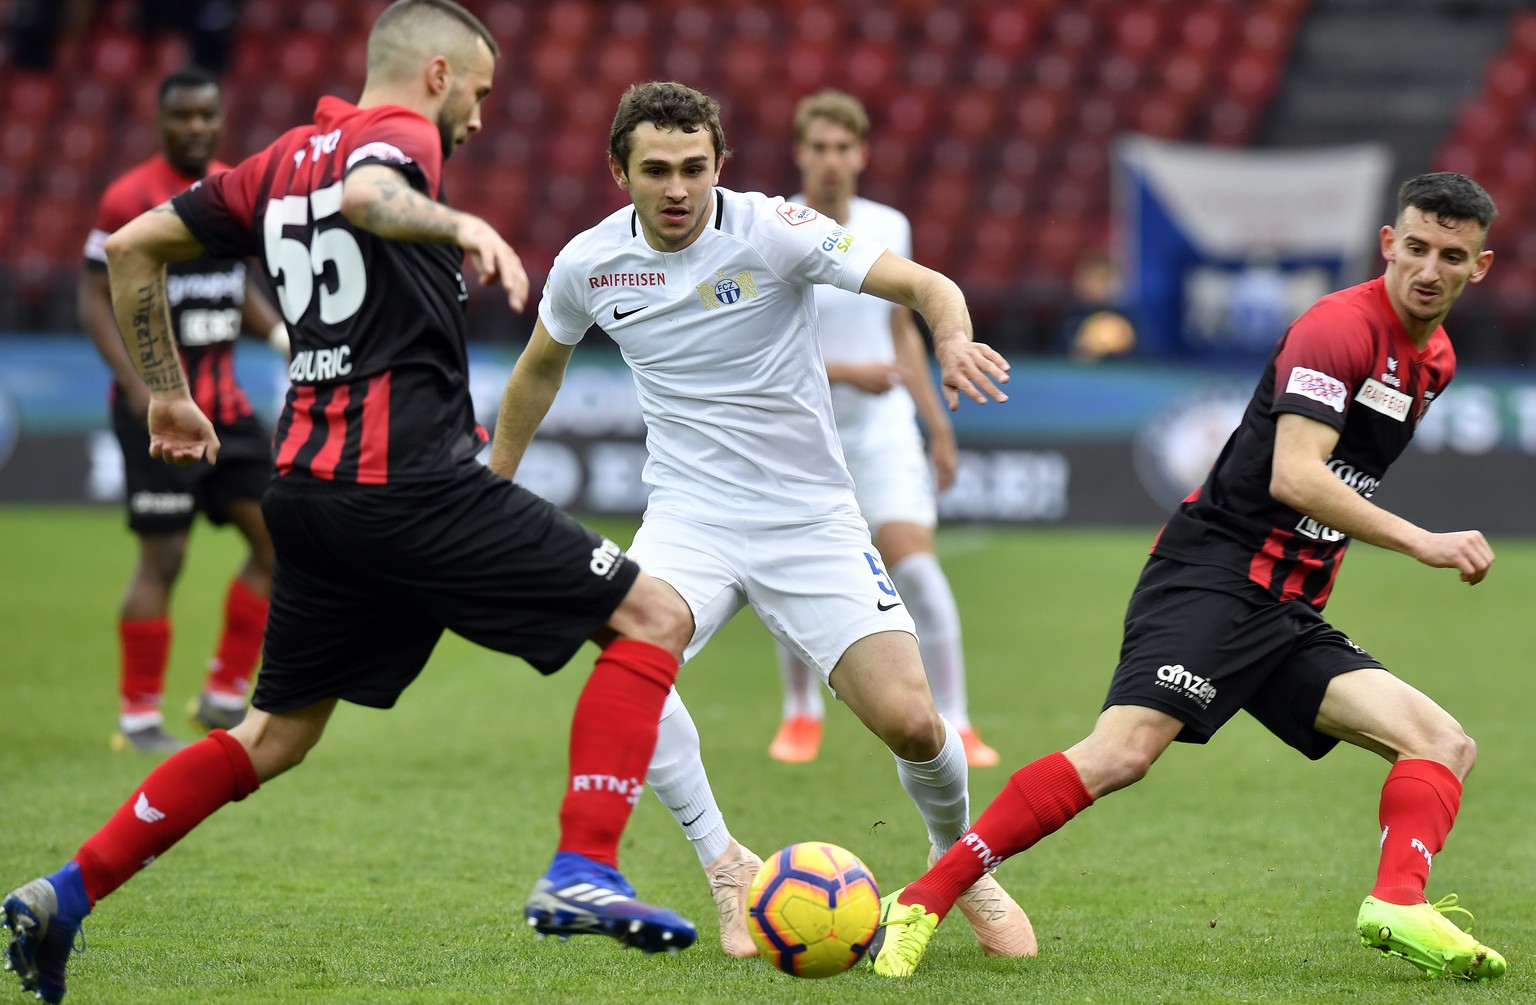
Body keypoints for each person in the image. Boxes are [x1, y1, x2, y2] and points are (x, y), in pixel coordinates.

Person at [4, 5, 702, 1002]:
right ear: (433, 74)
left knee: (274, 734)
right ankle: (584, 867)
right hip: (408, 484)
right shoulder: (399, 139)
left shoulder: (276, 161)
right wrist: (457, 221)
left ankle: (66, 891)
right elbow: (374, 195)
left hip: (309, 496)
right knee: (653, 616)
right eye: (478, 93)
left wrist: (166, 392)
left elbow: (131, 249)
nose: (475, 121)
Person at [870, 172, 1508, 983]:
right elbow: (1297, 477)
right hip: (1214, 573)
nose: (1428, 268)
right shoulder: (1337, 328)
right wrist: (1422, 541)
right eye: (1414, 247)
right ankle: (924, 897)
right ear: (1388, 243)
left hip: (1286, 606)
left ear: (1478, 268)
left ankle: (1399, 903)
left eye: (1451, 256)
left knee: (1442, 742)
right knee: (1124, 751)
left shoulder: (1436, 359)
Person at [489, 80, 1036, 964]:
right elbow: (537, 371)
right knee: (635, 665)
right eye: (656, 170)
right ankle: (725, 860)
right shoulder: (587, 263)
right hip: (688, 519)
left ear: (721, 165)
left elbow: (924, 282)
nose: (677, 188)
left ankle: (957, 863)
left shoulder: (773, 229)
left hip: (809, 520)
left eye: (695, 168)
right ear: (618, 172)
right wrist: (496, 483)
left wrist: (949, 337)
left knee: (914, 724)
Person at [761, 88, 998, 769]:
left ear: (862, 154)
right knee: (795, 576)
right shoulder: (778, 228)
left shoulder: (888, 226)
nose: (831, 160)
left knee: (917, 567)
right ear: (800, 154)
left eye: (843, 147)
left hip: (884, 427)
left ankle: (957, 718)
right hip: (808, 430)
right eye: (819, 147)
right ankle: (800, 713)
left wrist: (937, 428)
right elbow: (773, 347)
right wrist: (843, 370)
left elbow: (902, 333)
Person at [82, 66, 286, 753]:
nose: (197, 128)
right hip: (159, 409)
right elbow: (94, 299)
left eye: (208, 116)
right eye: (184, 117)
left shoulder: (232, 188)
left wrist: (276, 331)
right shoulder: (128, 197)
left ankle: (224, 695)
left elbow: (237, 281)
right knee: (163, 558)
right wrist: (142, 387)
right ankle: (139, 717)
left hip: (227, 408)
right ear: (161, 122)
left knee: (278, 539)